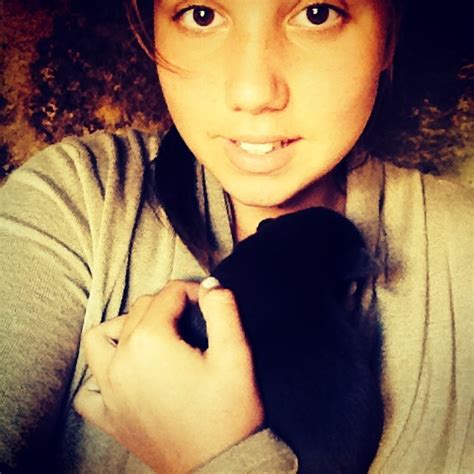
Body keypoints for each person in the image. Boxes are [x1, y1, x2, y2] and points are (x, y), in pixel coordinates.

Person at [0, 0, 472, 472]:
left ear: (389, 35)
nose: (253, 92)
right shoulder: (76, 200)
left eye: (317, 12)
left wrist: (219, 458)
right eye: (201, 14)